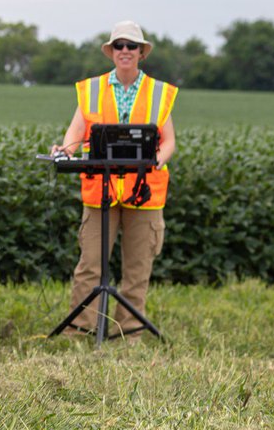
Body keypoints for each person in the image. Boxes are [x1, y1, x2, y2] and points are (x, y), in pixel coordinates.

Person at [51, 20, 178, 339]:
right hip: (100, 192)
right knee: (90, 264)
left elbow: (169, 141)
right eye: (119, 46)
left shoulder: (158, 92)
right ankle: (81, 330)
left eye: (131, 46)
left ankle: (129, 333)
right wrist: (64, 150)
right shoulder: (91, 89)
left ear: (141, 53)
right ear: (111, 52)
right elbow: (76, 133)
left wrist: (156, 161)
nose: (125, 51)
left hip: (144, 192)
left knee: (138, 267)